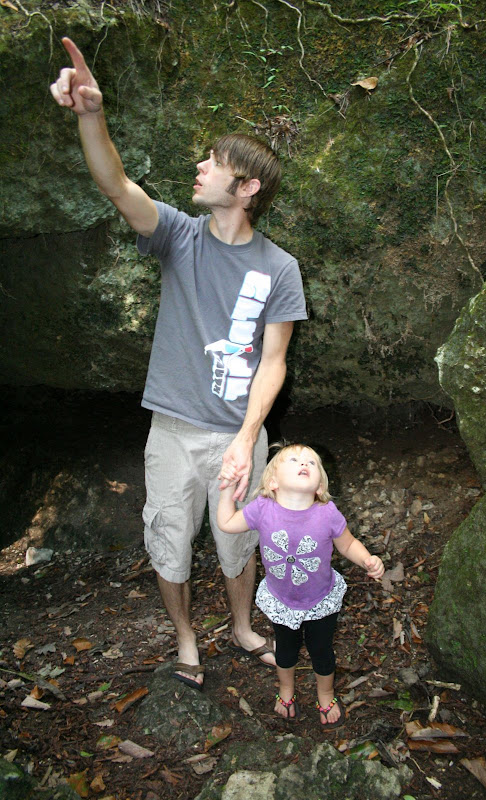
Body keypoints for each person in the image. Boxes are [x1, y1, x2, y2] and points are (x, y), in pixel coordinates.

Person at [50, 38, 307, 690]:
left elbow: (273, 362)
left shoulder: (280, 268)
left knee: (239, 543)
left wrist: (247, 439)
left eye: (214, 163)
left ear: (247, 188)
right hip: (172, 431)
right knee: (168, 540)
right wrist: (90, 115)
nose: (200, 166)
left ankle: (243, 626)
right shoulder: (177, 235)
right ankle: (187, 638)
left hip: (240, 433)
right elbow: (116, 185)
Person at [217, 443, 384, 729]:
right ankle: (286, 689)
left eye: (311, 462)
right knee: (285, 650)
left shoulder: (327, 513)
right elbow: (227, 522)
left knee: (321, 650)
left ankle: (325, 693)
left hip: (320, 601)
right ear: (272, 482)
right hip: (282, 601)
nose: (303, 463)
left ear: (319, 486)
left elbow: (348, 544)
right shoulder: (263, 509)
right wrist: (227, 487)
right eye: (293, 460)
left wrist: (367, 559)